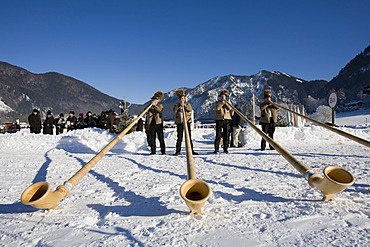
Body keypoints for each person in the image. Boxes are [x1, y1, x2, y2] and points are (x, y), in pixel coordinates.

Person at [173, 89, 198, 156]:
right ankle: (178, 151)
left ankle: (191, 150)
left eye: (183, 98)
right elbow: (175, 111)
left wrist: (184, 105)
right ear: (179, 99)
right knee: (179, 137)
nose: (182, 99)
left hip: (187, 122)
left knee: (188, 137)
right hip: (180, 123)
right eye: (181, 98)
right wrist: (180, 106)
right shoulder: (177, 105)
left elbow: (190, 109)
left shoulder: (188, 104)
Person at [214, 89, 232, 153]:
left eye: (224, 96)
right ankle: (216, 149)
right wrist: (222, 102)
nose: (223, 97)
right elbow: (218, 108)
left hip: (227, 119)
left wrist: (225, 102)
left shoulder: (228, 103)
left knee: (226, 135)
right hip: (219, 120)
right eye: (222, 96)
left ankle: (225, 148)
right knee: (218, 135)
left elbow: (230, 108)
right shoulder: (217, 103)